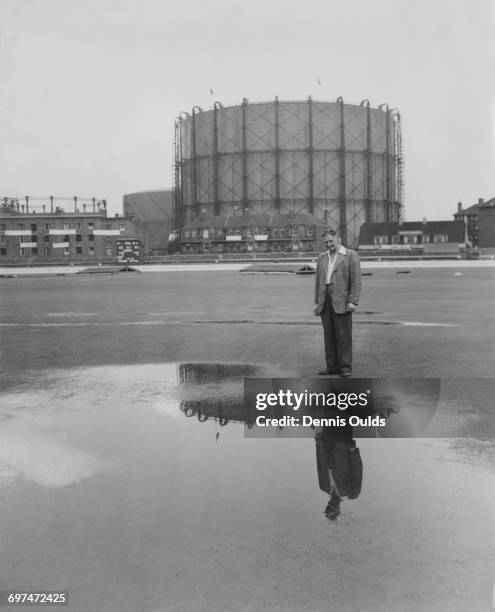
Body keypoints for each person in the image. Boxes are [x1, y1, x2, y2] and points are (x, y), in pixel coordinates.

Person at [314, 228, 361, 377]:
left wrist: (353, 301)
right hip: (325, 300)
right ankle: (332, 367)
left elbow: (356, 281)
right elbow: (318, 282)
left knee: (343, 336)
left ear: (338, 239)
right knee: (328, 336)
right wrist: (316, 302)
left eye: (331, 241)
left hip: (342, 300)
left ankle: (345, 367)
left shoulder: (350, 255)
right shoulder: (322, 258)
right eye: (326, 242)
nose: (328, 244)